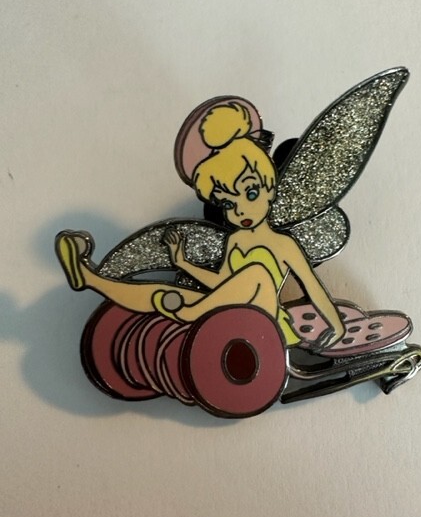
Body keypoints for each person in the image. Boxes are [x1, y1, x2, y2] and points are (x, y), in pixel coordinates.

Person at [56, 102, 345, 348]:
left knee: (257, 274)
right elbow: (225, 286)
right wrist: (183, 263)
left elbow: (312, 287)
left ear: (271, 189)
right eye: (227, 203)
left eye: (250, 193)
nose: (240, 209)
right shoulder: (235, 241)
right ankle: (91, 279)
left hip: (266, 324)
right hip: (225, 311)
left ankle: (191, 312)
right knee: (163, 294)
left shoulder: (284, 244)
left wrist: (337, 328)